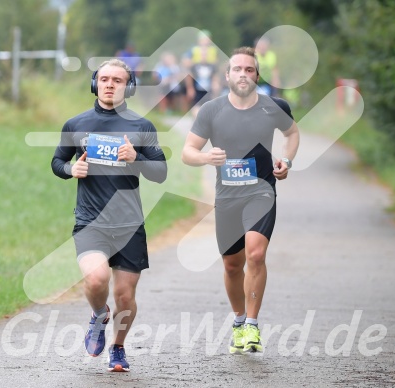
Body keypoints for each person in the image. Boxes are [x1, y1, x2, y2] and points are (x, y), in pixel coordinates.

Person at [181, 47, 300, 354]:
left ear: (257, 76)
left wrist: (286, 160)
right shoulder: (211, 110)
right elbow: (188, 152)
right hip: (227, 196)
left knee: (256, 255)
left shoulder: (274, 106)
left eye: (249, 70)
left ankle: (252, 325)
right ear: (227, 75)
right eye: (238, 69)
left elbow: (292, 133)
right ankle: (238, 321)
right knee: (233, 265)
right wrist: (207, 157)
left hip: (261, 191)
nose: (244, 75)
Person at [51, 59, 167, 372]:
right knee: (96, 278)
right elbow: (57, 162)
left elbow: (160, 172)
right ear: (95, 83)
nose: (110, 84)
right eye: (104, 79)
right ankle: (99, 315)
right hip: (91, 220)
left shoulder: (141, 127)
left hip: (129, 223)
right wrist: (70, 169)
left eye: (117, 80)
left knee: (125, 295)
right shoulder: (76, 124)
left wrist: (137, 158)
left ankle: (117, 348)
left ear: (128, 87)